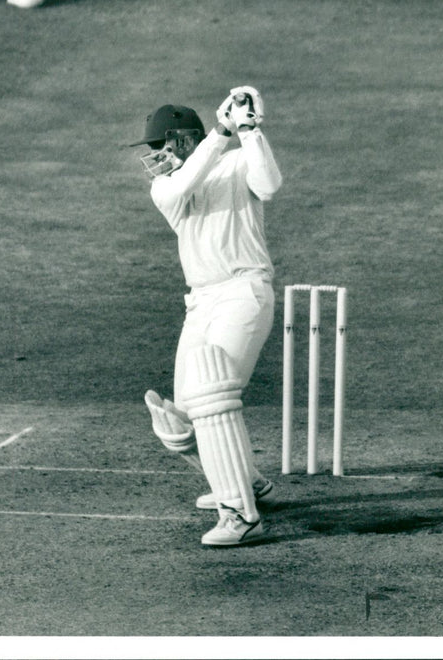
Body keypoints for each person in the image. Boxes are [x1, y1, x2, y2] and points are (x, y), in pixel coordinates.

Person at [132, 87, 283, 548]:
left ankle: (241, 515)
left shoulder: (237, 162)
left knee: (208, 397)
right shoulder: (167, 187)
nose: (154, 156)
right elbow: (183, 183)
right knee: (178, 418)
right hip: (200, 303)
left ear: (180, 141)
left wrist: (250, 130)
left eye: (159, 146)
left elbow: (270, 185)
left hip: (244, 291)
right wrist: (221, 132)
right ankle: (247, 482)